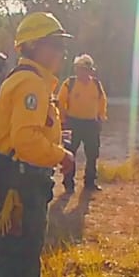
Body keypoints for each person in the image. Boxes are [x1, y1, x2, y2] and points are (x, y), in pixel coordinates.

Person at [0, 12, 76, 277]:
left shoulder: (30, 80)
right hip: (22, 187)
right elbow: (26, 142)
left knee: (15, 270)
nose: (60, 51)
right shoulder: (32, 84)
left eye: (61, 44)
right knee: (21, 274)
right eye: (53, 44)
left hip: (19, 185)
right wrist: (62, 155)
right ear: (32, 47)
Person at [58, 53, 108, 194]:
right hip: (73, 123)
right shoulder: (70, 83)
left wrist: (101, 116)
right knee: (69, 154)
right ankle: (68, 184)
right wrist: (63, 119)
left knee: (92, 154)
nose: (80, 72)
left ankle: (90, 182)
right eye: (78, 69)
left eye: (84, 69)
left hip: (91, 124)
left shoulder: (96, 84)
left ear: (90, 70)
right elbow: (61, 102)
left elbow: (102, 100)